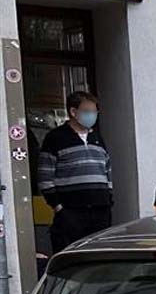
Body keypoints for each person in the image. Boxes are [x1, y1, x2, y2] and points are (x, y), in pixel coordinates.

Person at [38, 91, 112, 253]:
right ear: (73, 112)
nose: (92, 116)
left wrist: (108, 196)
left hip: (100, 210)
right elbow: (45, 176)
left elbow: (107, 170)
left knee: (99, 255)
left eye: (95, 112)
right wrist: (58, 206)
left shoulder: (97, 138)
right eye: (88, 111)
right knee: (71, 255)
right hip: (71, 211)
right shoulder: (56, 138)